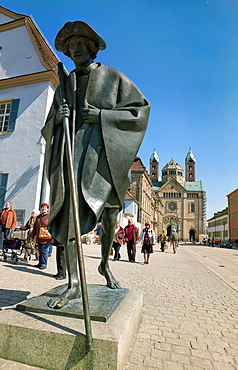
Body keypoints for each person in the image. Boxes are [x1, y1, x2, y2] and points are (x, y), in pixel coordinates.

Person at [41, 21, 150, 308]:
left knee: (111, 215)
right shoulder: (65, 84)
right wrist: (57, 118)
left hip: (106, 160)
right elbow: (48, 126)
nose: (75, 51)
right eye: (70, 47)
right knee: (70, 216)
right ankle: (75, 283)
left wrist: (102, 115)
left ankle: (104, 264)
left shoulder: (114, 78)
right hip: (74, 157)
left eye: (80, 46)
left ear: (91, 48)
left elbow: (140, 111)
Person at [30, 203, 53, 270]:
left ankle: (43, 264)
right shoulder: (39, 217)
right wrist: (32, 236)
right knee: (40, 250)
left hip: (46, 236)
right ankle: (40, 263)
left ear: (47, 209)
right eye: (42, 207)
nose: (43, 209)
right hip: (39, 236)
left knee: (44, 250)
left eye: (45, 207)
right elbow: (35, 227)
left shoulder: (49, 216)